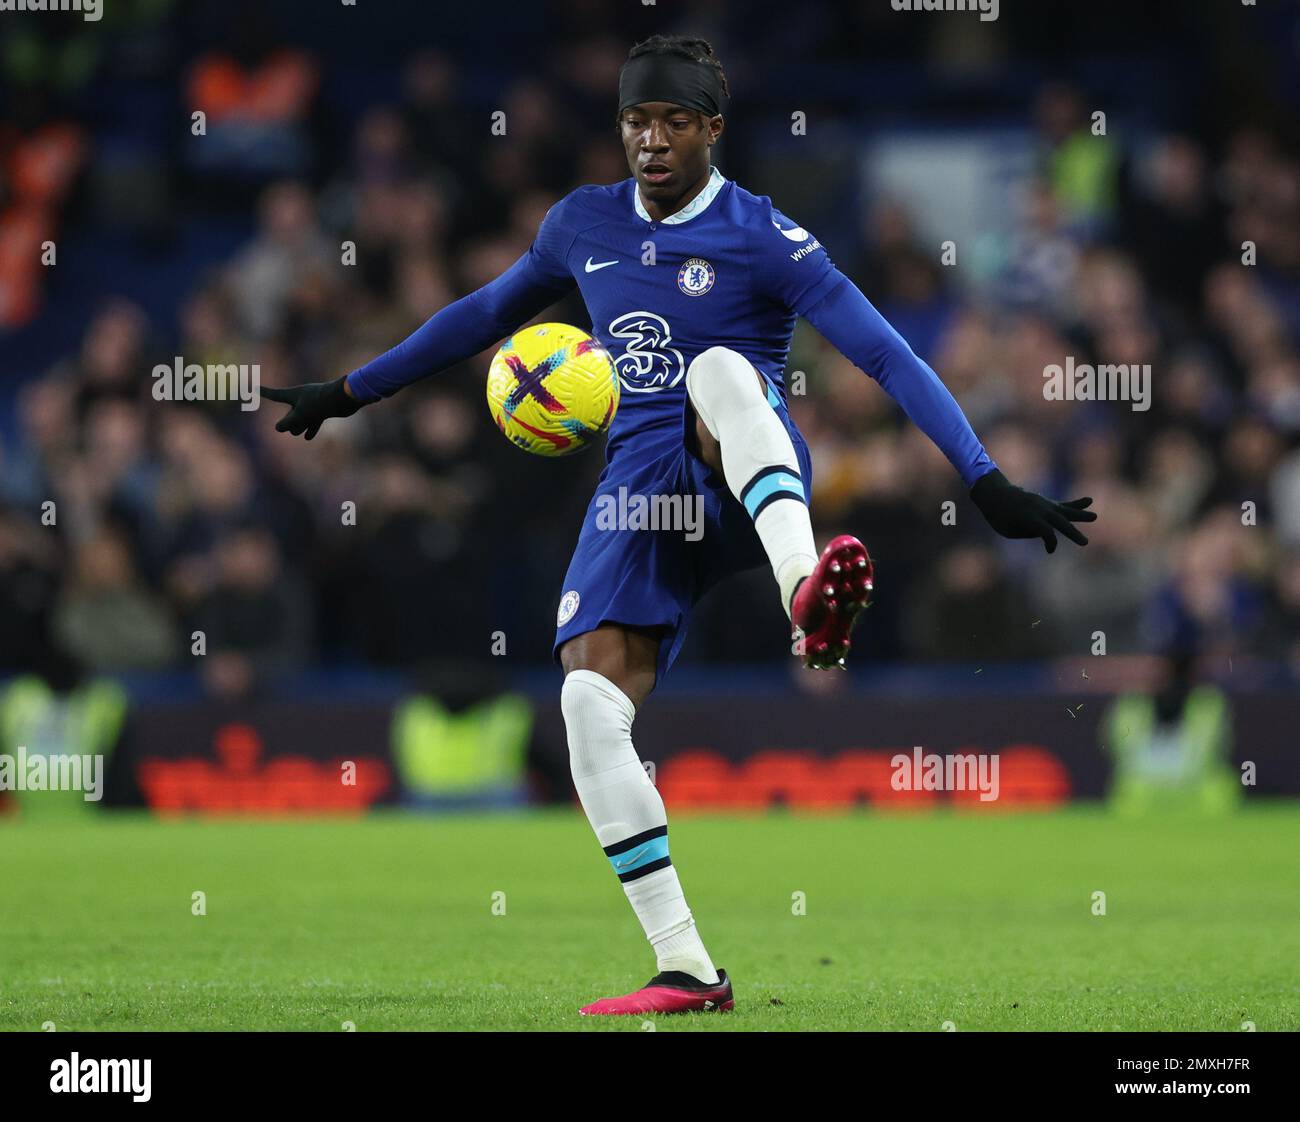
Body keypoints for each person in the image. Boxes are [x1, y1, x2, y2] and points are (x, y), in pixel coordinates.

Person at [262, 34, 1096, 1016]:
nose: (648, 140)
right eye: (633, 121)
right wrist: (352, 390)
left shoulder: (764, 236)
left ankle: (805, 594)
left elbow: (886, 356)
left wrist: (982, 473)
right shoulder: (580, 224)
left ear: (710, 128)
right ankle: (687, 968)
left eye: (670, 121)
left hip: (744, 474)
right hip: (637, 497)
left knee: (716, 372)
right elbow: (480, 313)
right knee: (584, 707)